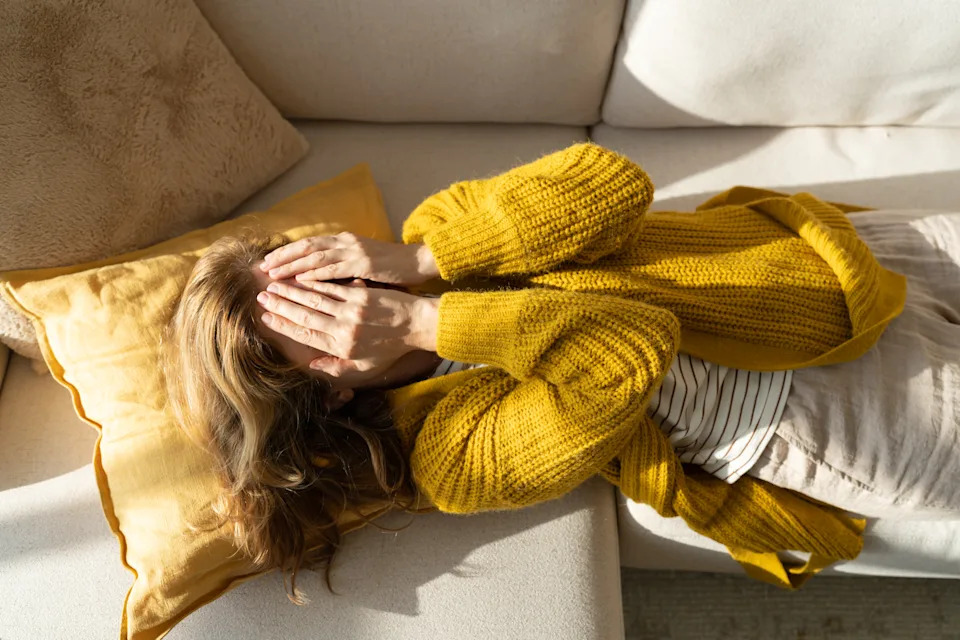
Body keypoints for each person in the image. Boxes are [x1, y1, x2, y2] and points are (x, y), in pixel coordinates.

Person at [164, 143, 960, 602]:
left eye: (314, 274)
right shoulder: (444, 454)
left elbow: (614, 184)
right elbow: (627, 352)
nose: (351, 295)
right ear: (328, 387)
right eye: (317, 321)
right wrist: (425, 320)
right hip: (818, 417)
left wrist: (426, 261)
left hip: (812, 265)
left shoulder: (436, 231)